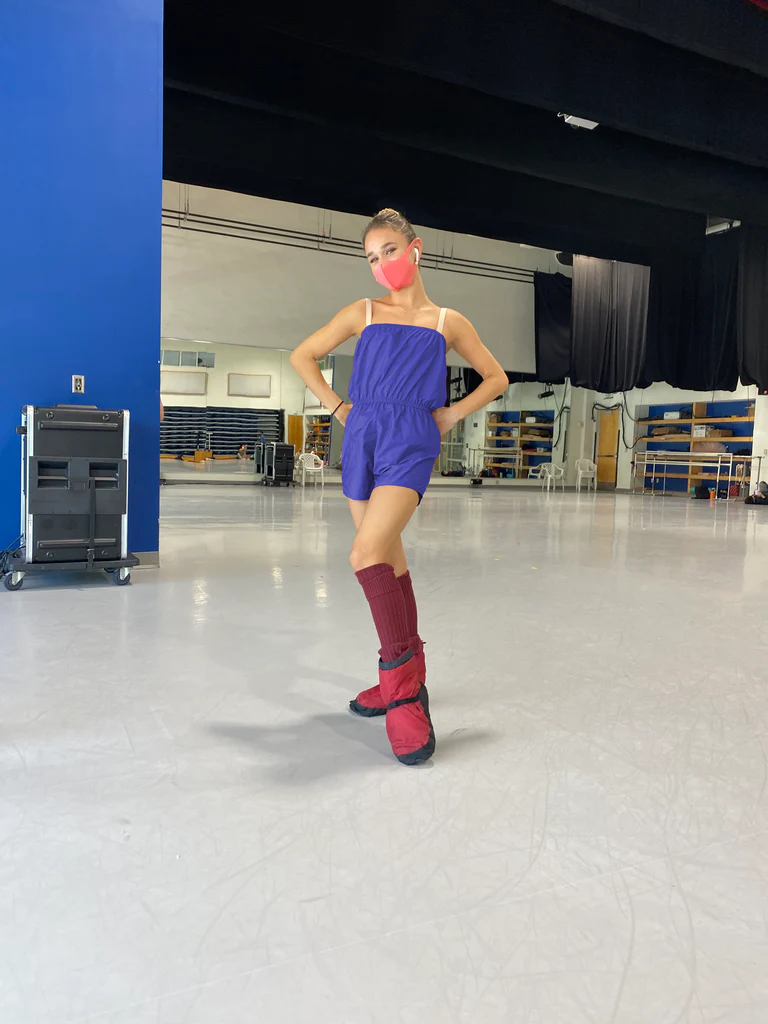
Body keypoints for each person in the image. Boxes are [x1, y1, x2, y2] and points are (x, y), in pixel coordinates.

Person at [290, 209, 508, 765]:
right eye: (370, 257)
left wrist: (450, 415)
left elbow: (497, 377)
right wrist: (339, 406)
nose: (380, 264)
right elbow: (302, 356)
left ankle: (404, 692)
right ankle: (404, 675)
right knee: (389, 562)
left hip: (411, 438)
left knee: (365, 554)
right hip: (361, 434)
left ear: (415, 248)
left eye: (388, 250)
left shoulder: (446, 322)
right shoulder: (362, 312)